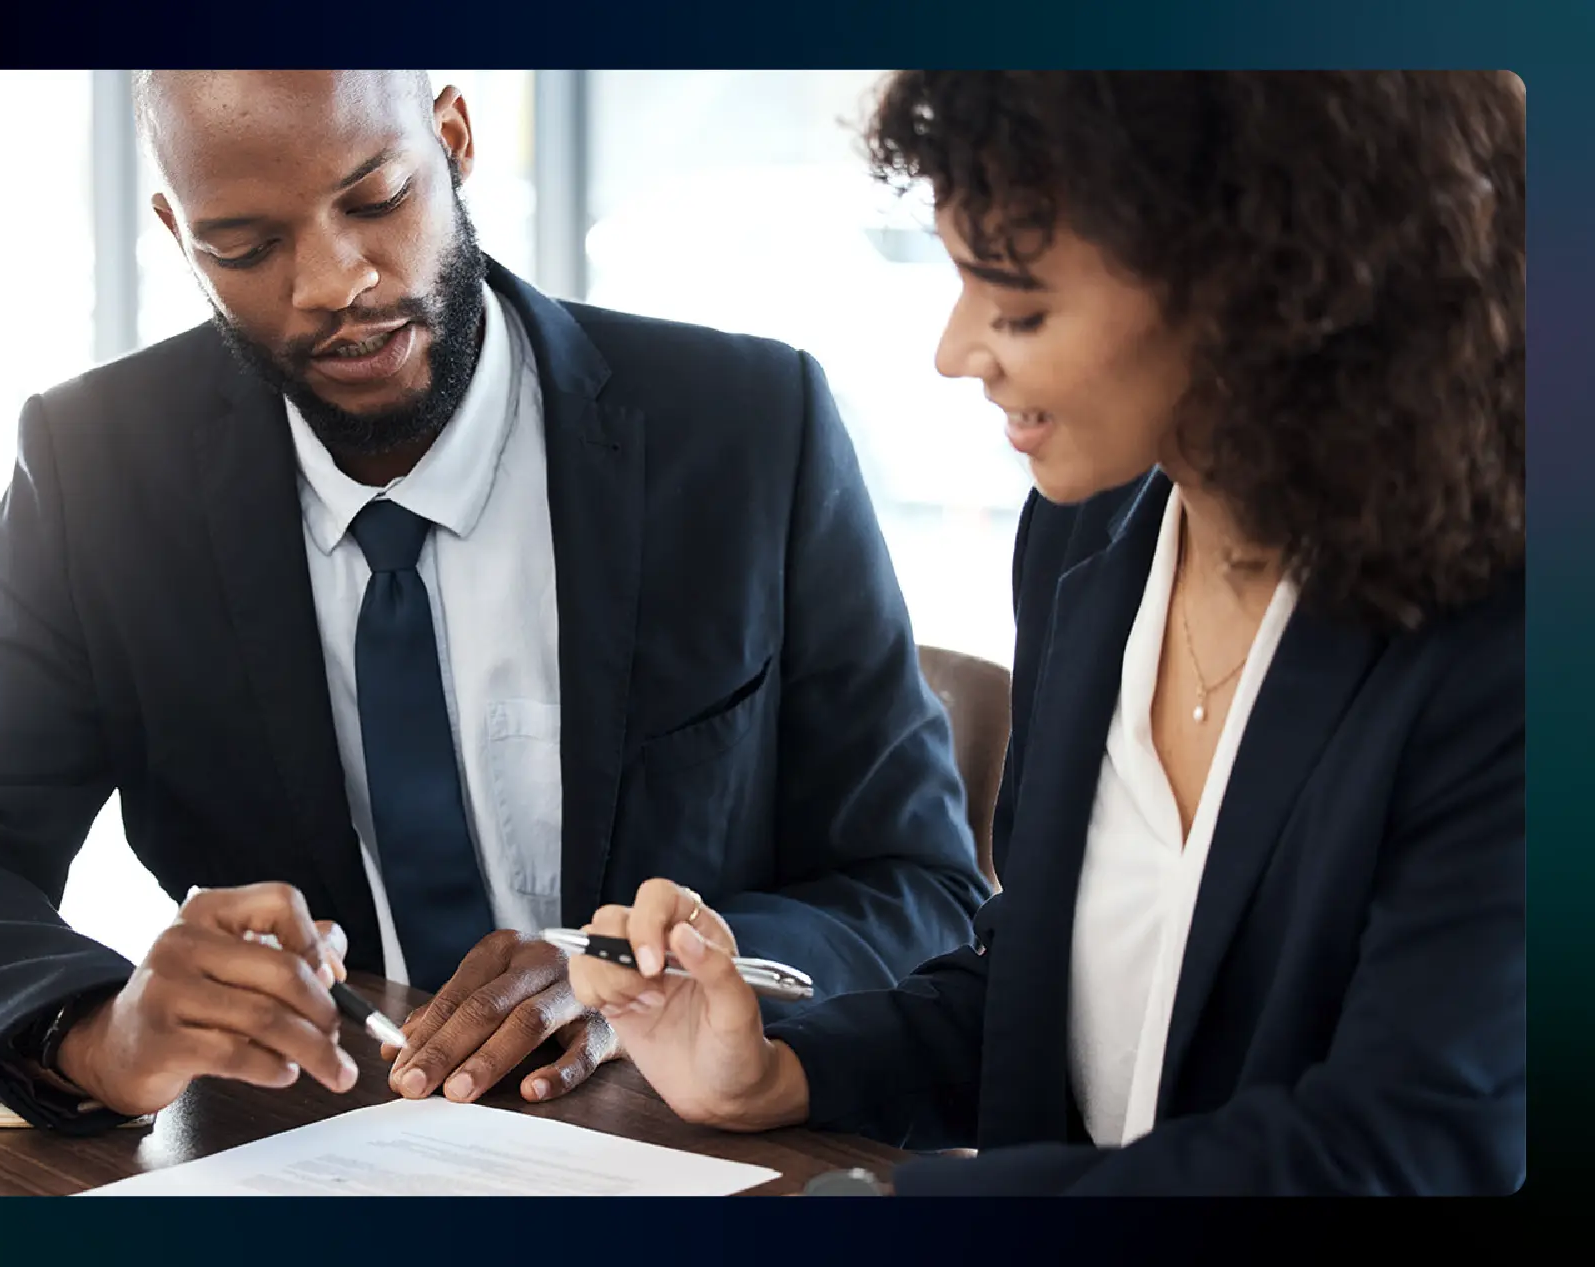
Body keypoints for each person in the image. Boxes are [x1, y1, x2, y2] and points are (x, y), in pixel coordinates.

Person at [0, 70, 989, 1132]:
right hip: (317, 1152)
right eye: (245, 245)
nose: (334, 282)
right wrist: (99, 1031)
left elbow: (918, 885)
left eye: (376, 198)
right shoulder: (100, 472)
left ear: (452, 139)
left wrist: (667, 977)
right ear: (175, 235)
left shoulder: (745, 429)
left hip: (683, 1150)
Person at [571, 70, 1525, 1195]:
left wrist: (889, 1207)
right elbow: (1046, 991)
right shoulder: (1088, 534)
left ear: (1260, 288)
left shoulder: (1505, 642)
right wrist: (778, 1072)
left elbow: (1405, 1142)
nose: (955, 348)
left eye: (1016, 304)